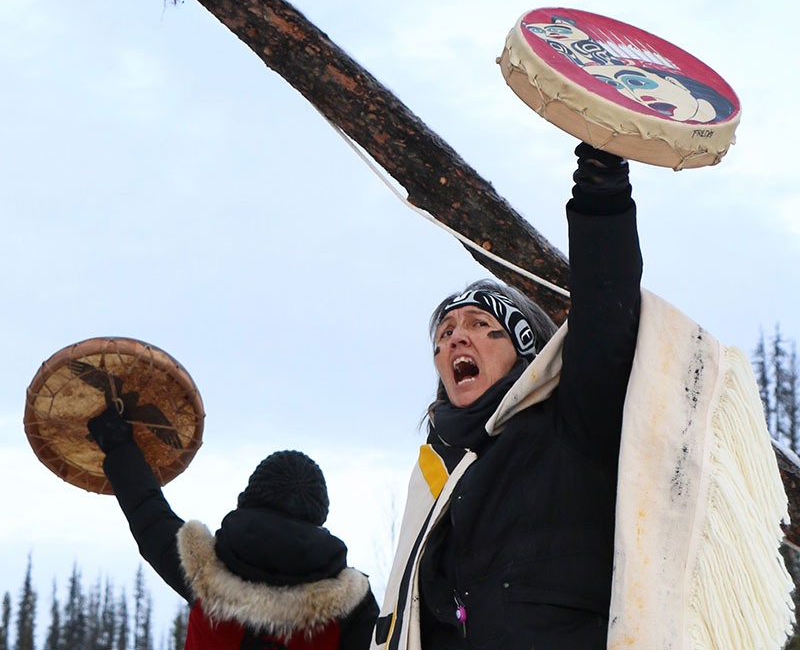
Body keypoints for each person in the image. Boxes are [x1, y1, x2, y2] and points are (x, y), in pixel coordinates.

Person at [373, 142, 643, 650]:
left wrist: (602, 184)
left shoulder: (569, 428)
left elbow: (606, 313)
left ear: (522, 350)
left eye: (479, 324)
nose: (455, 337)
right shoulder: (437, 478)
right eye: (446, 331)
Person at [88, 408, 378, 650]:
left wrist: (118, 443)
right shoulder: (352, 605)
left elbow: (147, 512)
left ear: (245, 502)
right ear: (318, 521)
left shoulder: (203, 570)